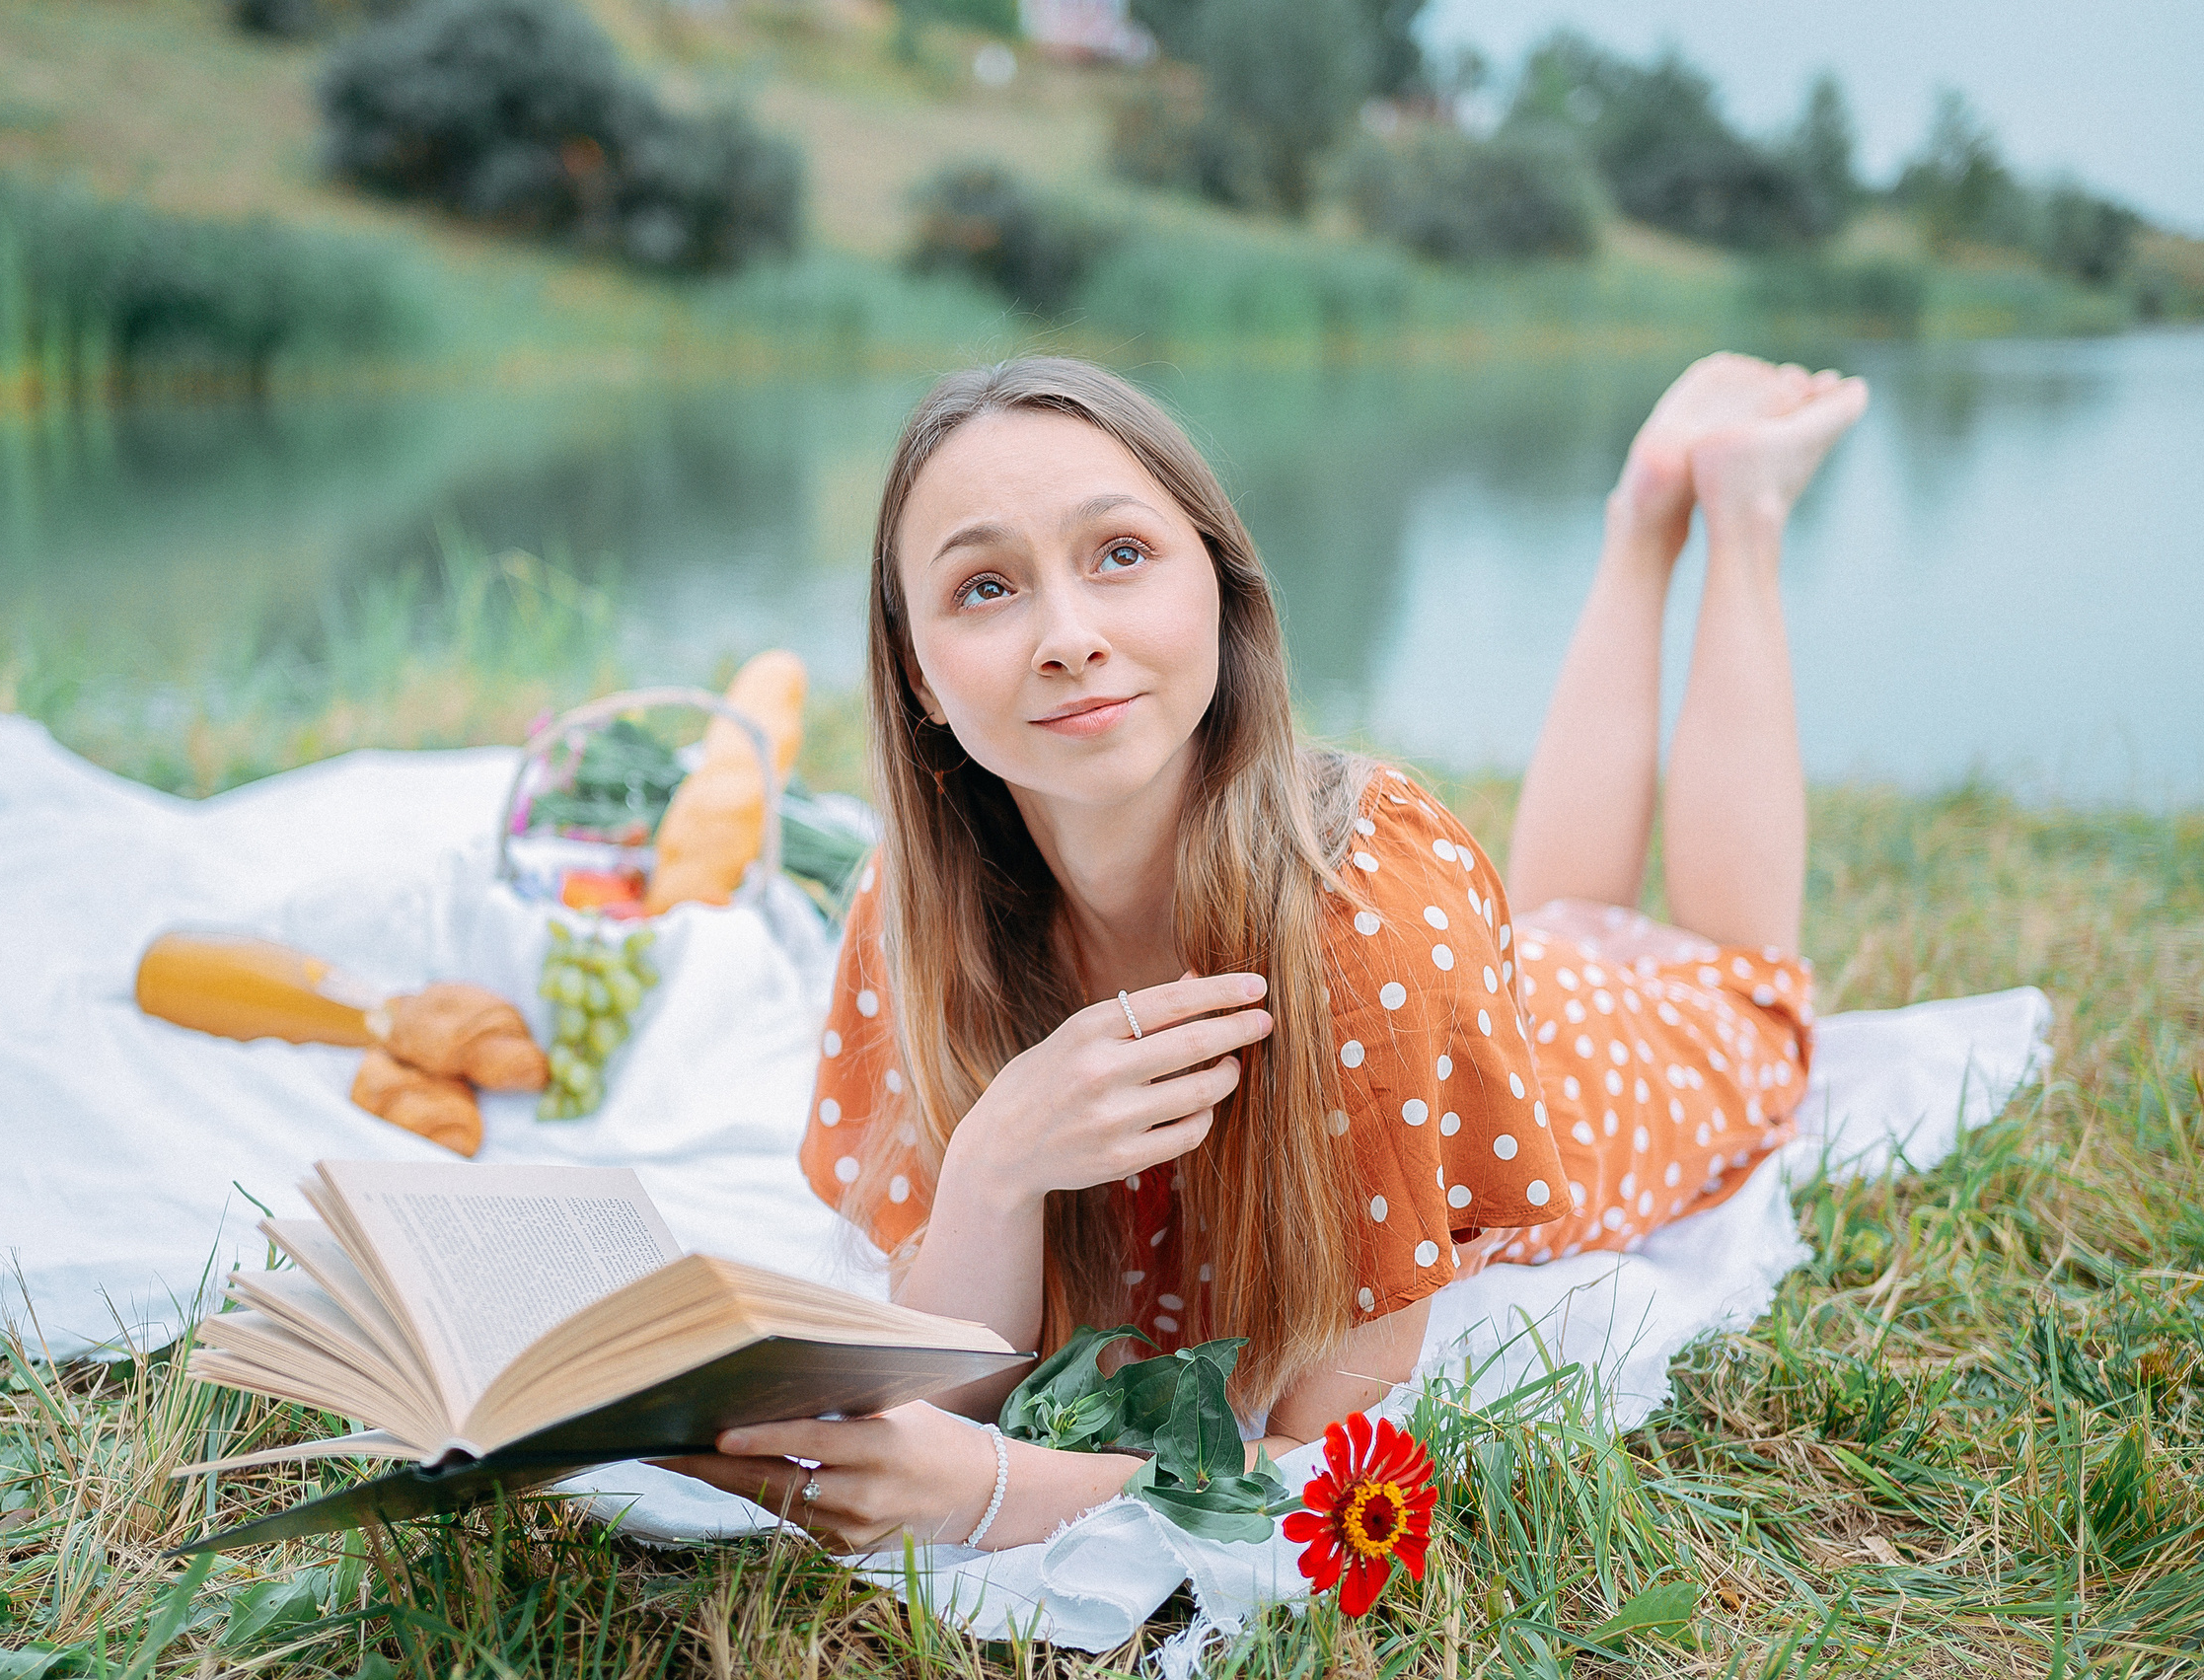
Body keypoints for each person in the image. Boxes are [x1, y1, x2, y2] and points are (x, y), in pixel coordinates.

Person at [670, 351, 1870, 1552]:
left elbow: (1327, 1456)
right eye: (985, 586)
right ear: (917, 674)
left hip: (1590, 1048)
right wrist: (993, 1163)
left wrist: (992, 1491)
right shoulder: (916, 911)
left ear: (1219, 586)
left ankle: (1736, 511)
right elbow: (957, 1384)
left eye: (1120, 553)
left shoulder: (1370, 921)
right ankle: (1648, 508)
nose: (1068, 636)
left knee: (1732, 982)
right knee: (1564, 915)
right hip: (1490, 968)